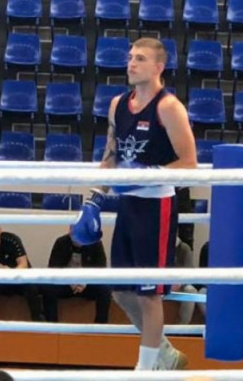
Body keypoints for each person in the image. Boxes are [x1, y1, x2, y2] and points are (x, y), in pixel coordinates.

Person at [71, 37, 197, 371]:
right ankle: (164, 353)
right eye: (130, 57)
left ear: (158, 67)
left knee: (148, 294)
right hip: (128, 205)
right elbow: (110, 156)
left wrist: (150, 175)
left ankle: (145, 370)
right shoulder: (117, 105)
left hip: (157, 207)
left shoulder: (168, 107)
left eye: (140, 58)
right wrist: (93, 199)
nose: (131, 63)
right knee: (121, 290)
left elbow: (190, 163)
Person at [0, 223, 44, 322]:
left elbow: (23, 265)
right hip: (2, 280)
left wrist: (10, 272)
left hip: (20, 278)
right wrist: (2, 270)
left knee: (31, 285)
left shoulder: (12, 240)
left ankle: (38, 319)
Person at [42, 232, 111, 324]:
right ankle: (52, 325)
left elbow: (101, 269)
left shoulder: (95, 243)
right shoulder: (61, 242)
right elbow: (53, 268)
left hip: (87, 284)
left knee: (105, 288)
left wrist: (84, 282)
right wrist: (72, 282)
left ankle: (100, 325)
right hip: (66, 283)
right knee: (48, 288)